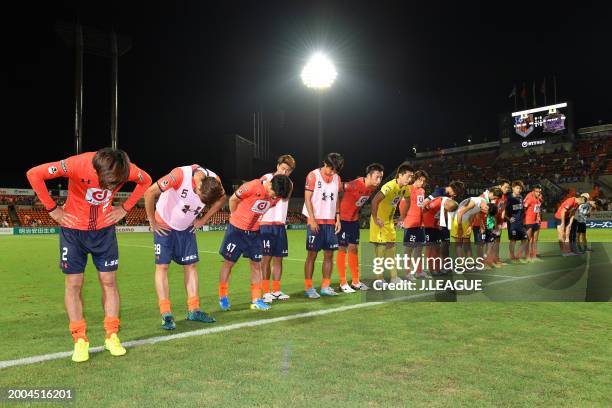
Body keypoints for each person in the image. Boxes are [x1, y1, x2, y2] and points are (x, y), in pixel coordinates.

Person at [26, 148, 152, 362]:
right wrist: (53, 209)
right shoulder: (76, 164)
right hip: (73, 231)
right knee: (74, 284)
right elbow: (34, 174)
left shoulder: (127, 169)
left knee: (109, 282)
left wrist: (125, 208)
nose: (110, 188)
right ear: (97, 169)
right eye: (107, 182)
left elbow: (146, 180)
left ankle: (112, 335)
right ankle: (80, 339)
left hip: (104, 231)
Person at [144, 164, 226, 330]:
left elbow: (222, 199)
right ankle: (166, 313)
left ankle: (194, 309)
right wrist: (152, 221)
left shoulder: (215, 181)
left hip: (186, 227)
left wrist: (203, 220)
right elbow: (149, 192)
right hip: (164, 223)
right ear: (198, 184)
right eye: (199, 196)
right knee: (163, 267)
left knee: (191, 265)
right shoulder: (179, 175)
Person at [218, 174, 292, 311]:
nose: (274, 198)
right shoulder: (252, 186)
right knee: (228, 263)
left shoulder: (276, 196)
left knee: (256, 264)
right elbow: (233, 199)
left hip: (255, 232)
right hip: (236, 231)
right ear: (270, 184)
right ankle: (223, 296)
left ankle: (256, 299)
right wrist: (235, 217)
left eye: (277, 196)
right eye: (273, 194)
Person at [336, 163, 384, 292]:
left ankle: (356, 281)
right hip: (343, 220)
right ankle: (343, 282)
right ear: (368, 175)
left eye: (381, 178)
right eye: (377, 177)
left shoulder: (371, 188)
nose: (379, 180)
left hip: (354, 221)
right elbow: (337, 187)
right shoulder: (355, 184)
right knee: (342, 249)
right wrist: (336, 215)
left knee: (354, 249)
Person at [303, 153, 344, 298]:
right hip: (315, 220)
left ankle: (325, 286)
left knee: (329, 255)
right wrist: (312, 219)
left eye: (335, 170)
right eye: (330, 168)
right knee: (312, 255)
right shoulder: (313, 176)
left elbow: (337, 200)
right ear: (324, 163)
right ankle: (309, 287)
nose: (332, 172)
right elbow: (307, 199)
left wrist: (338, 218)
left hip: (330, 222)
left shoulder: (337, 178)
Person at [369, 163, 414, 283]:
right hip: (379, 221)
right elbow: (374, 201)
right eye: (408, 176)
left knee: (391, 250)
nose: (410, 180)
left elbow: (408, 202)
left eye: (411, 177)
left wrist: (402, 217)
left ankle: (394, 277)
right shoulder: (389, 186)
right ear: (400, 175)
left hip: (389, 223)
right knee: (381, 250)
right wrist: (375, 218)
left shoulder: (405, 189)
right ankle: (379, 279)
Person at [259, 155, 296, 303]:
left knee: (279, 259)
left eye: (288, 171)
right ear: (277, 166)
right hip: (265, 224)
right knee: (265, 259)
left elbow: (285, 198)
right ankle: (265, 290)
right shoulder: (266, 178)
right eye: (283, 169)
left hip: (280, 225)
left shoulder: (290, 184)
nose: (285, 173)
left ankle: (276, 290)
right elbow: (261, 196)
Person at [399, 170, 429, 279]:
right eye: (420, 180)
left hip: (420, 224)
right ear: (414, 179)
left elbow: (420, 206)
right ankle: (407, 272)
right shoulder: (408, 189)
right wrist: (403, 219)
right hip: (410, 224)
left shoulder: (422, 191)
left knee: (419, 248)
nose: (421, 183)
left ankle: (419, 271)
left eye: (423, 181)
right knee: (409, 249)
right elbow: (402, 205)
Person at [505, 180, 528, 263]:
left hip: (521, 223)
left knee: (525, 239)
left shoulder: (521, 197)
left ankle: (518, 255)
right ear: (513, 188)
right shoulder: (509, 198)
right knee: (513, 240)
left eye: (520, 188)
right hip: (512, 224)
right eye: (517, 188)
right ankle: (512, 256)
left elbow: (522, 210)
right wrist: (508, 218)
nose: (519, 190)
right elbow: (503, 211)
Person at [523, 185, 544, 262]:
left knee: (535, 240)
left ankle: (534, 255)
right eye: (537, 192)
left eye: (539, 192)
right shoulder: (529, 198)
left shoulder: (539, 199)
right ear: (533, 191)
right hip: (529, 221)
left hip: (536, 222)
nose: (538, 193)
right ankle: (527, 256)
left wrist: (538, 219)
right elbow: (523, 207)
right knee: (528, 239)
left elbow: (538, 210)